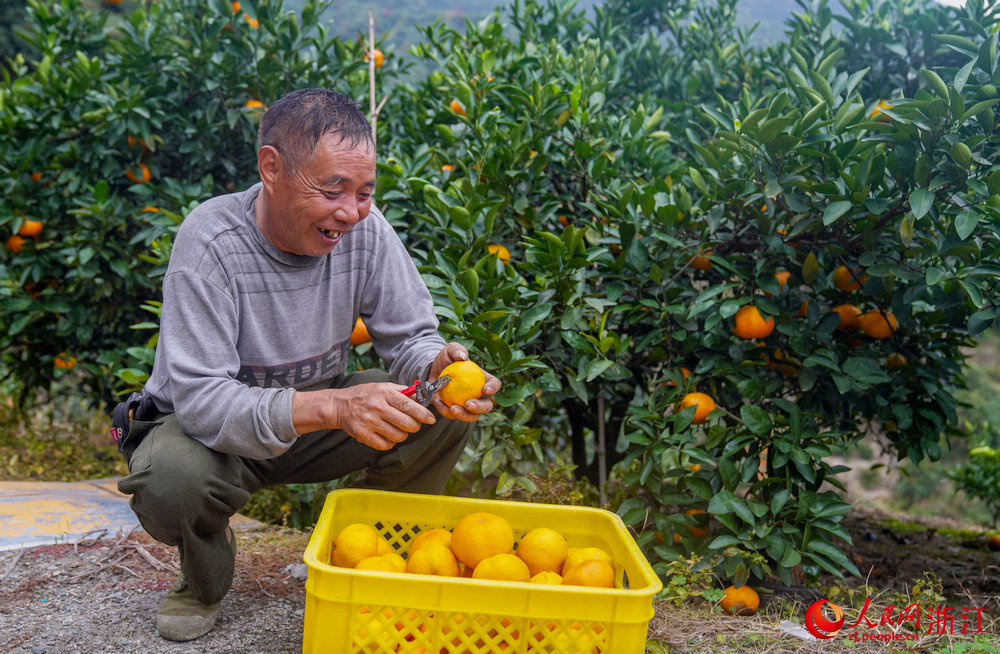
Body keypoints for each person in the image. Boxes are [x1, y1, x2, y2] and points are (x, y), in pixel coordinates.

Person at [114, 88, 500, 642]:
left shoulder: (364, 231)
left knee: (435, 408)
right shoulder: (212, 242)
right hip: (214, 439)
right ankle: (203, 576)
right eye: (332, 189)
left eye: (365, 191)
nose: (350, 211)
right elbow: (201, 401)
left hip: (316, 423)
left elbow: (411, 337)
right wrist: (334, 405)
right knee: (170, 481)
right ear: (271, 168)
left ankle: (375, 559)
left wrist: (438, 365)